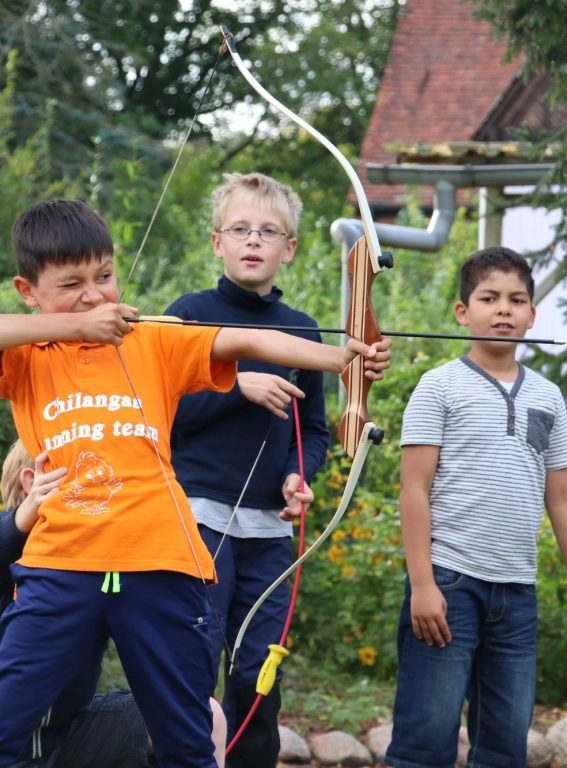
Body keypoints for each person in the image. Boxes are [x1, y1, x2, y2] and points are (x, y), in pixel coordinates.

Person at [0, 198, 390, 767]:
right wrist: (75, 325)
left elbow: (246, 341)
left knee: (186, 741)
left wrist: (338, 358)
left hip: (161, 563)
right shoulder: (28, 355)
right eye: (72, 283)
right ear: (28, 291)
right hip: (60, 567)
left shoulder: (152, 337)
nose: (94, 295)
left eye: (104, 277)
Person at [384, 247, 567, 768]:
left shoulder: (548, 396)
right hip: (448, 585)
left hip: (517, 593)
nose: (503, 309)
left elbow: (563, 495)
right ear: (463, 312)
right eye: (489, 298)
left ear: (531, 315)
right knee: (425, 741)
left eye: (516, 300)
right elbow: (413, 490)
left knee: (504, 746)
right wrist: (422, 585)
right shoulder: (438, 387)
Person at [165, 172, 328, 767]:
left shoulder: (305, 331)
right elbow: (161, 412)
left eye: (268, 231)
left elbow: (311, 429)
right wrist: (236, 384)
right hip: (198, 520)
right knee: (193, 660)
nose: (252, 240)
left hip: (269, 532)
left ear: (290, 248)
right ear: (217, 243)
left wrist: (297, 475)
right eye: (240, 229)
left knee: (260, 674)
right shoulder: (188, 315)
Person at [0, 439, 228, 768]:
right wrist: (23, 519)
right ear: (33, 482)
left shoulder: (94, 558)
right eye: (85, 477)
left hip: (68, 734)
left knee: (208, 718)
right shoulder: (17, 542)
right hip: (15, 736)